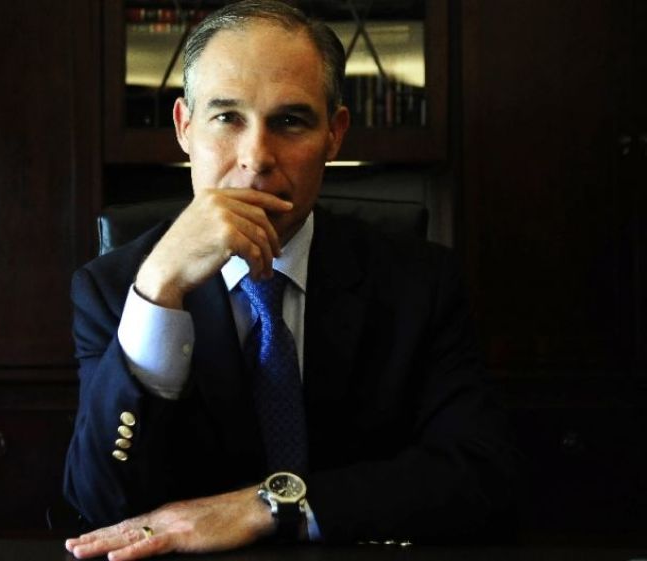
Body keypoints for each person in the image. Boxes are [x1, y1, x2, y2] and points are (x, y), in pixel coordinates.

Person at [63, 1, 517, 559]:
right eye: (227, 117)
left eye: (290, 121)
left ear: (335, 134)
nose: (256, 158)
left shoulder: (420, 283)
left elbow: (479, 475)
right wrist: (158, 289)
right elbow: (103, 508)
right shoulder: (113, 288)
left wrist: (268, 506)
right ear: (184, 127)